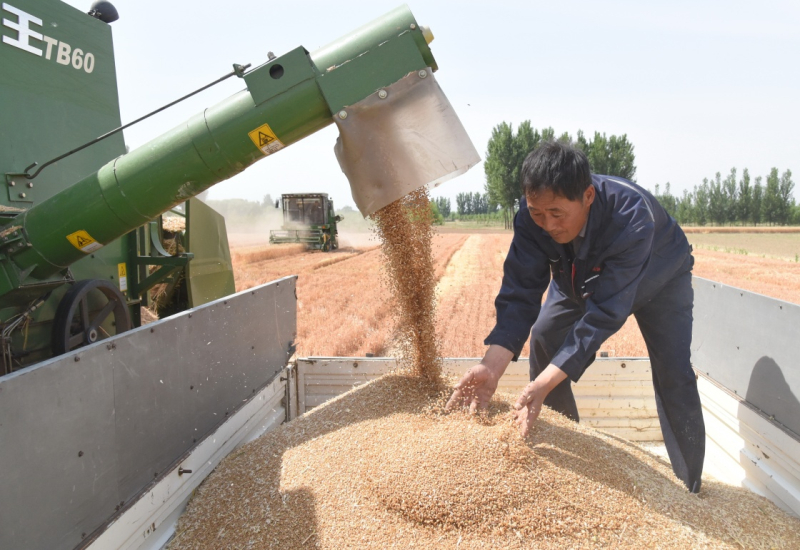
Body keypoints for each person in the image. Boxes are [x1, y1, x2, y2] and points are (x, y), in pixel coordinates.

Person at [445, 141, 705, 493]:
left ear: (587, 196)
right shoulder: (531, 217)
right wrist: (491, 368)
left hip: (660, 279)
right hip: (579, 278)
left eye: (556, 213)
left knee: (674, 371)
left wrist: (546, 380)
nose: (547, 224)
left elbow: (603, 315)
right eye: (538, 213)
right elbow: (520, 293)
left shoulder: (631, 216)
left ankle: (688, 484)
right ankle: (564, 454)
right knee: (544, 337)